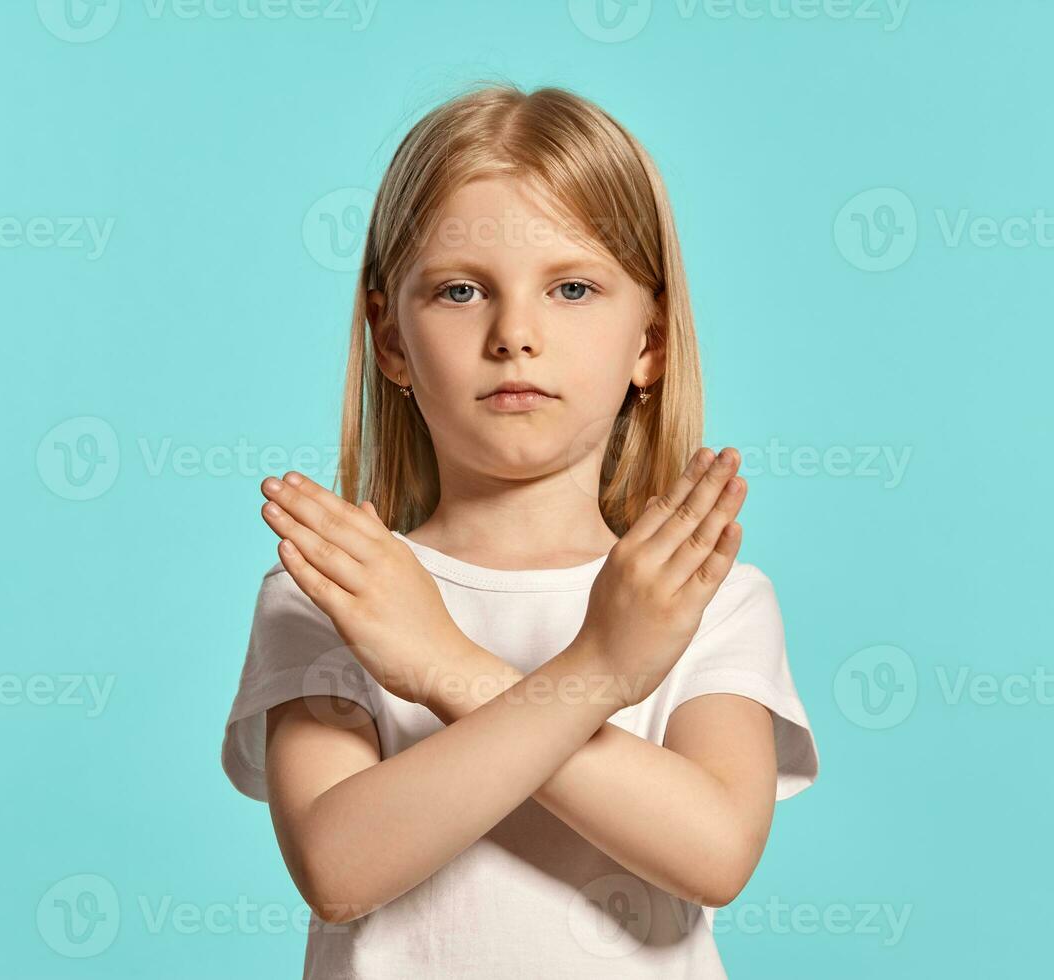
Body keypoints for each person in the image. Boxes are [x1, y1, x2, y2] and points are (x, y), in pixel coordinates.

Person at [220, 82, 820, 978]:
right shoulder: (333, 587)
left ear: (650, 340)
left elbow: (715, 853)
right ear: (390, 340)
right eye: (461, 291)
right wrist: (601, 673)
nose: (515, 334)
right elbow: (340, 870)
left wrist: (442, 666)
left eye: (573, 287)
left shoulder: (708, 597)